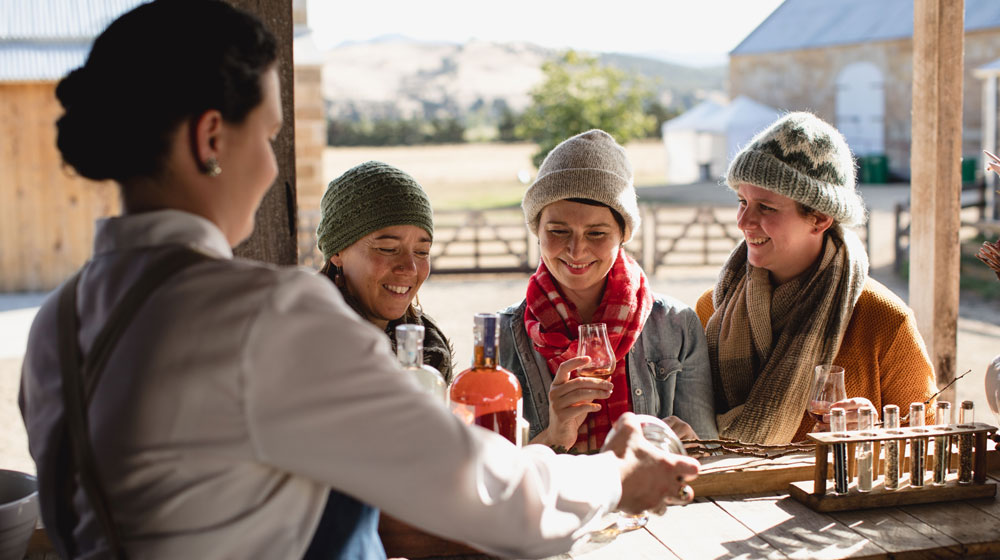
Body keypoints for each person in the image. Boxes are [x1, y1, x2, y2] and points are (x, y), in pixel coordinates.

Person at [18, 2, 699, 558]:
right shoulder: (267, 315)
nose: (271, 167)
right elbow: (475, 487)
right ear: (209, 140)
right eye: (269, 136)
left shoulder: (60, 318)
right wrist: (615, 474)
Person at [695, 111, 936, 444]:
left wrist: (875, 432)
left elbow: (932, 439)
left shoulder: (883, 320)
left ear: (820, 218)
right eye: (742, 201)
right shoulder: (711, 310)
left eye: (766, 207)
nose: (744, 221)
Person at [498, 129, 718, 454]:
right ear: (537, 231)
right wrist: (555, 435)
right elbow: (491, 472)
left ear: (623, 235)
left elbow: (709, 458)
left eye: (597, 233)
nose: (576, 250)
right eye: (558, 231)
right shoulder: (506, 332)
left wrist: (692, 447)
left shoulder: (677, 325)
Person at [316, 161, 453, 381]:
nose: (409, 268)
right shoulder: (310, 348)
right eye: (388, 249)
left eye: (421, 252)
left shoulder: (431, 347)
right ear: (338, 251)